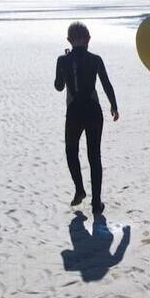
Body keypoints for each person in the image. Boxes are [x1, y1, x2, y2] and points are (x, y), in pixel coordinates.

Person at [55, 21, 119, 214]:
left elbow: (59, 86)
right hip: (93, 110)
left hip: (74, 112)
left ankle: (80, 189)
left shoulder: (62, 60)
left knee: (71, 151)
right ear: (88, 39)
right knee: (94, 155)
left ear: (69, 40)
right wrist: (114, 106)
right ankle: (97, 203)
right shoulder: (95, 59)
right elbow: (106, 84)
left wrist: (66, 70)